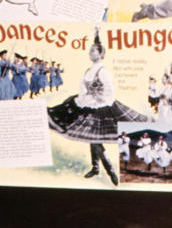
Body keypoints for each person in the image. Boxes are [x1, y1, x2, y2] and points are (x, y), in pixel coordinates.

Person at [47, 29, 149, 185]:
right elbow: (83, 88)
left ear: (101, 54)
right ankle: (97, 168)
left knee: (94, 138)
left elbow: (109, 93)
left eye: (93, 50)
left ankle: (109, 170)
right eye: (90, 50)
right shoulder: (89, 70)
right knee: (92, 138)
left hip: (102, 108)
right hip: (88, 105)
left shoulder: (103, 71)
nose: (90, 53)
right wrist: (83, 100)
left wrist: (96, 101)